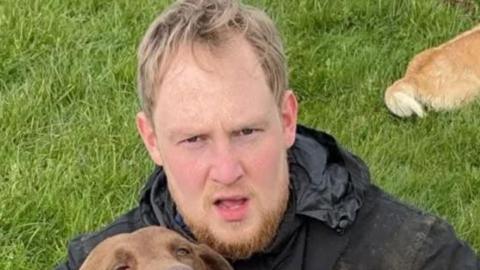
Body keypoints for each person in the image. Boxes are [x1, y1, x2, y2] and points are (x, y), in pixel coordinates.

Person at [56, 0, 480, 269]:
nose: (226, 170)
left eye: (246, 131)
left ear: (287, 120)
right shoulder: (94, 261)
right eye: (193, 140)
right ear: (152, 140)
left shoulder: (410, 255)